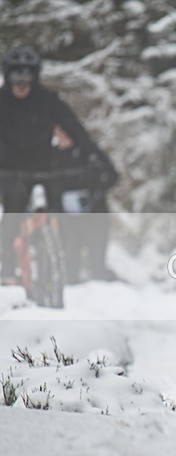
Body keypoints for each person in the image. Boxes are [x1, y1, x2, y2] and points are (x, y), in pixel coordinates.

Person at [0, 45, 117, 285]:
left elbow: (77, 132)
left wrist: (100, 161)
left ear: (35, 76)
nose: (21, 83)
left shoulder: (48, 101)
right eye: (16, 76)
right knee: (12, 213)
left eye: (26, 76)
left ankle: (60, 264)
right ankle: (6, 268)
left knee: (59, 215)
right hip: (9, 171)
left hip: (46, 169)